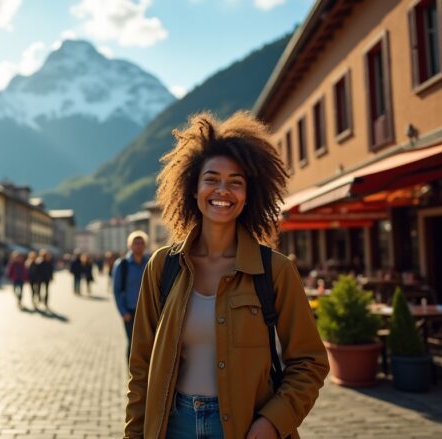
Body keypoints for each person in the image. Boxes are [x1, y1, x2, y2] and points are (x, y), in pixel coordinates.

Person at [125, 112, 329, 439]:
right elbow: (140, 367)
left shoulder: (275, 271)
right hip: (172, 426)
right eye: (212, 179)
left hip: (247, 429)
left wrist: (272, 423)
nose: (223, 190)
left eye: (236, 181)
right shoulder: (163, 267)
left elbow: (310, 362)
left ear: (249, 195)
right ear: (193, 188)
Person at [112, 230, 149, 362]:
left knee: (147, 341)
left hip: (147, 310)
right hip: (130, 309)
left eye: (141, 242)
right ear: (130, 245)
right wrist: (123, 312)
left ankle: (145, 371)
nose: (139, 245)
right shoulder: (122, 265)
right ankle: (132, 372)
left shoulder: (149, 263)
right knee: (132, 341)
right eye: (136, 242)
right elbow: (116, 290)